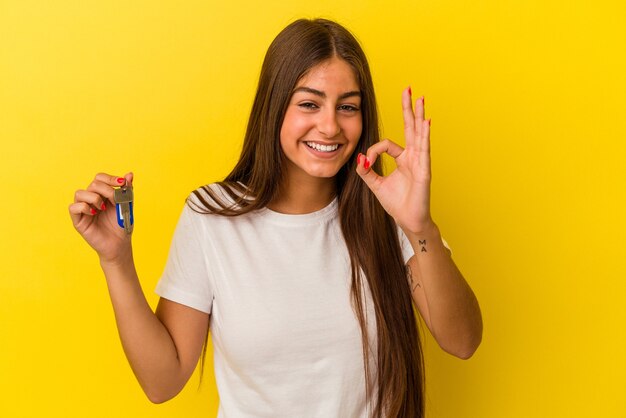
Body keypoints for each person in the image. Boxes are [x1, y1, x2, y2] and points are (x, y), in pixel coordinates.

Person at [69, 18, 482, 418]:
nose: (330, 126)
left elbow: (462, 340)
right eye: (309, 103)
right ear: (274, 107)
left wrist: (419, 226)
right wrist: (116, 262)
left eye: (348, 107)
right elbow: (163, 382)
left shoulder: (388, 210)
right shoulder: (211, 216)